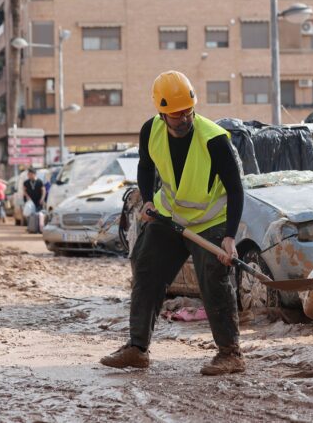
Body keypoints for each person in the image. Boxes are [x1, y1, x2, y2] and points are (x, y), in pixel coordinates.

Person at [100, 70, 245, 375]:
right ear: (161, 112)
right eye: (176, 115)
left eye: (188, 112)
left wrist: (229, 237)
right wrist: (150, 199)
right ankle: (137, 348)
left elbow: (235, 188)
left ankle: (231, 354)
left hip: (210, 222)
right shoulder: (150, 131)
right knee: (145, 267)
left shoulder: (214, 139)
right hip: (170, 218)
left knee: (213, 278)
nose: (184, 119)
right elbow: (146, 165)